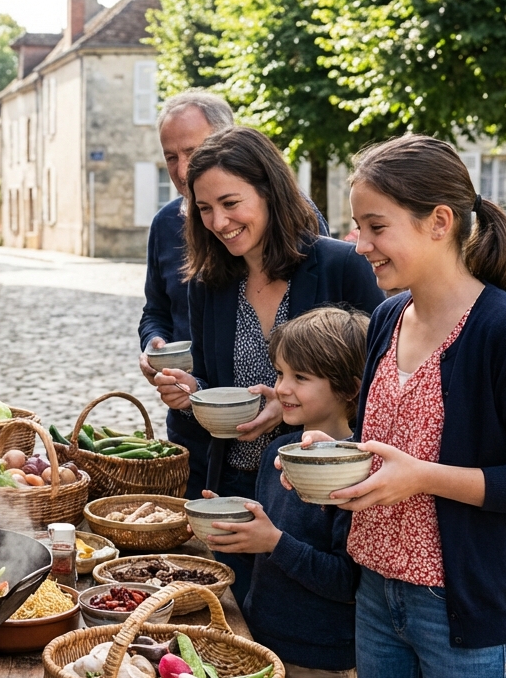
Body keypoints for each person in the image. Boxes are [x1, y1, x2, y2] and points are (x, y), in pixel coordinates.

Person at [282, 134, 506, 678]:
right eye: (357, 227)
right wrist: (334, 456)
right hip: (378, 596)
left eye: (375, 226)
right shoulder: (389, 317)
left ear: (439, 222)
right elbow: (387, 444)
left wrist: (423, 477)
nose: (359, 244)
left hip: (464, 611)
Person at [152, 126, 382, 603]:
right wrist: (192, 389)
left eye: (231, 203)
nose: (218, 221)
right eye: (204, 209)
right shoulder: (208, 282)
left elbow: (375, 387)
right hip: (234, 486)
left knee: (305, 645)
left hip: (317, 499)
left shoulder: (343, 266)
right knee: (238, 628)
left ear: (270, 191)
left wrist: (291, 407)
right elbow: (218, 381)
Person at [138, 91, 329, 499]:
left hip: (304, 462)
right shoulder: (200, 265)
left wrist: (291, 401)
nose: (183, 168)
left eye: (193, 150)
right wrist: (162, 354)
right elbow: (155, 309)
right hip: (209, 439)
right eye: (170, 156)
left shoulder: (313, 236)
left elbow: (348, 357)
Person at [204, 306, 368, 678]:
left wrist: (273, 542)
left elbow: (347, 580)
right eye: (280, 373)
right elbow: (267, 551)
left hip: (323, 665)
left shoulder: (357, 472)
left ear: (349, 388)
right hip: (264, 647)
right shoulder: (279, 448)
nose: (282, 389)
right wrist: (232, 531)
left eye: (301, 377)